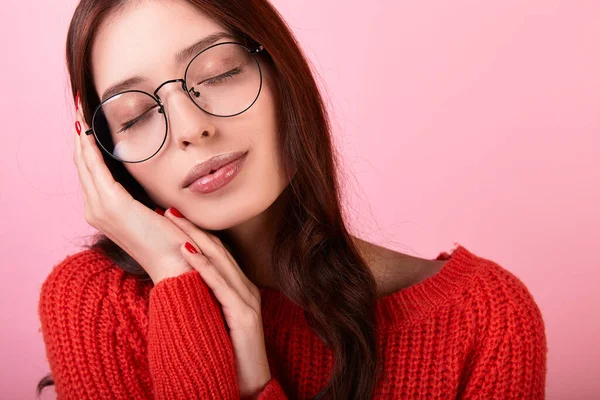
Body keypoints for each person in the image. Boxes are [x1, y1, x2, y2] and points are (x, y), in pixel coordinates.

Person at [36, 0, 548, 399]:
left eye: (218, 73)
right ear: (103, 156)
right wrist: (178, 284)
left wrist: (258, 384)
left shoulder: (484, 321)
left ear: (283, 72)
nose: (191, 129)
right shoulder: (96, 303)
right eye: (134, 116)